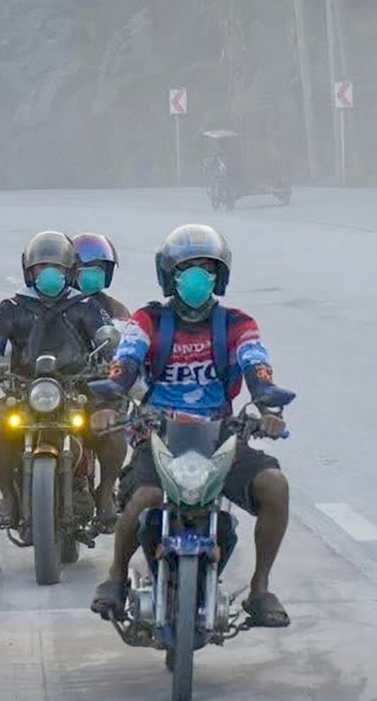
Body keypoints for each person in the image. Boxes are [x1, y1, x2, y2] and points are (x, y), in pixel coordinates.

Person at [90, 224, 295, 629]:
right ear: (170, 276)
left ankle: (260, 588)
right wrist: (112, 398)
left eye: (207, 268)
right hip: (157, 435)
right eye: (188, 268)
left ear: (220, 276)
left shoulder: (237, 324)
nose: (199, 277)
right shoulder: (149, 320)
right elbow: (126, 362)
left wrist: (268, 403)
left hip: (221, 436)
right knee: (145, 495)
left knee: (275, 485)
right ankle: (115, 577)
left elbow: (256, 363)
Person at [0, 230, 116, 529]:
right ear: (29, 271)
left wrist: (112, 359)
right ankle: (8, 496)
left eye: (57, 268)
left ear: (69, 271)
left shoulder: (85, 305)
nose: (49, 274)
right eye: (41, 268)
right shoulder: (13, 307)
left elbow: (107, 335)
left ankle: (106, 492)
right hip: (24, 390)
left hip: (78, 386)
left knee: (111, 422)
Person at [69, 232, 131, 526]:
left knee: (115, 431)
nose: (93, 275)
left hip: (100, 394)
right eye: (86, 268)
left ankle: (105, 492)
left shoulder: (116, 310)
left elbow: (131, 348)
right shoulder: (50, 306)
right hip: (55, 392)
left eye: (99, 269)